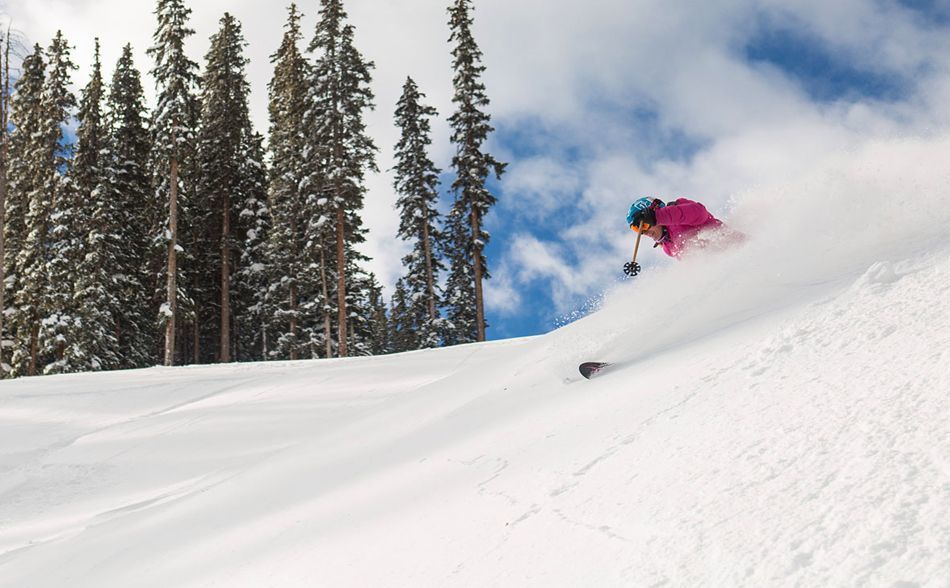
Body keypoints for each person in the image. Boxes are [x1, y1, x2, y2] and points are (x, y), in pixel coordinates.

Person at [625, 196, 736, 264]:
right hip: (723, 269)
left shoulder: (679, 211)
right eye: (637, 229)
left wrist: (658, 217)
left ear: (655, 212)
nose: (643, 233)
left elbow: (699, 213)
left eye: (642, 225)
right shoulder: (668, 248)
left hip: (737, 248)